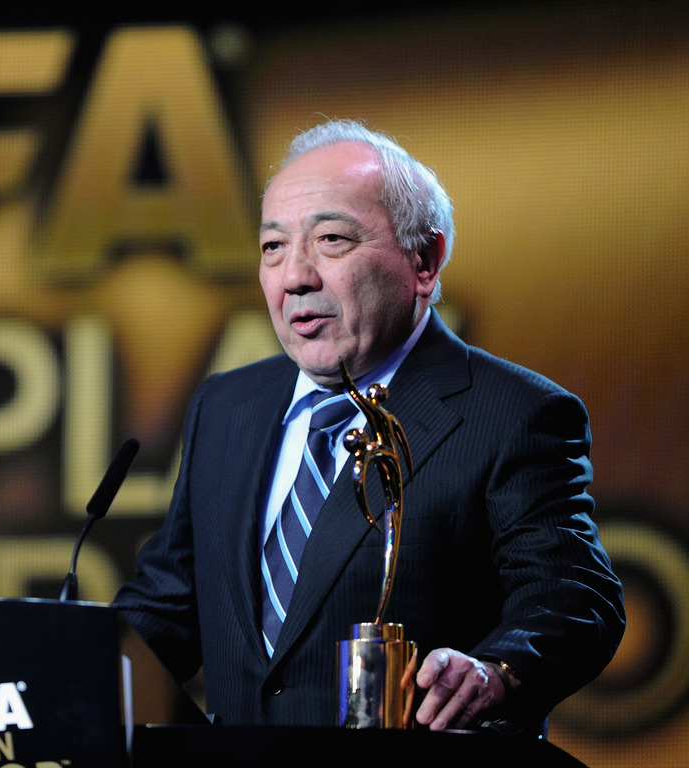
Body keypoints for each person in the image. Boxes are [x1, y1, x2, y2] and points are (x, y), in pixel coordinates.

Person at [113, 119, 624, 733]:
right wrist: (58, 669)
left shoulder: (514, 413)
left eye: (331, 240)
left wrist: (496, 672)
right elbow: (169, 605)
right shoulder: (227, 405)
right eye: (273, 247)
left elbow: (574, 598)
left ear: (424, 261)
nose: (294, 277)